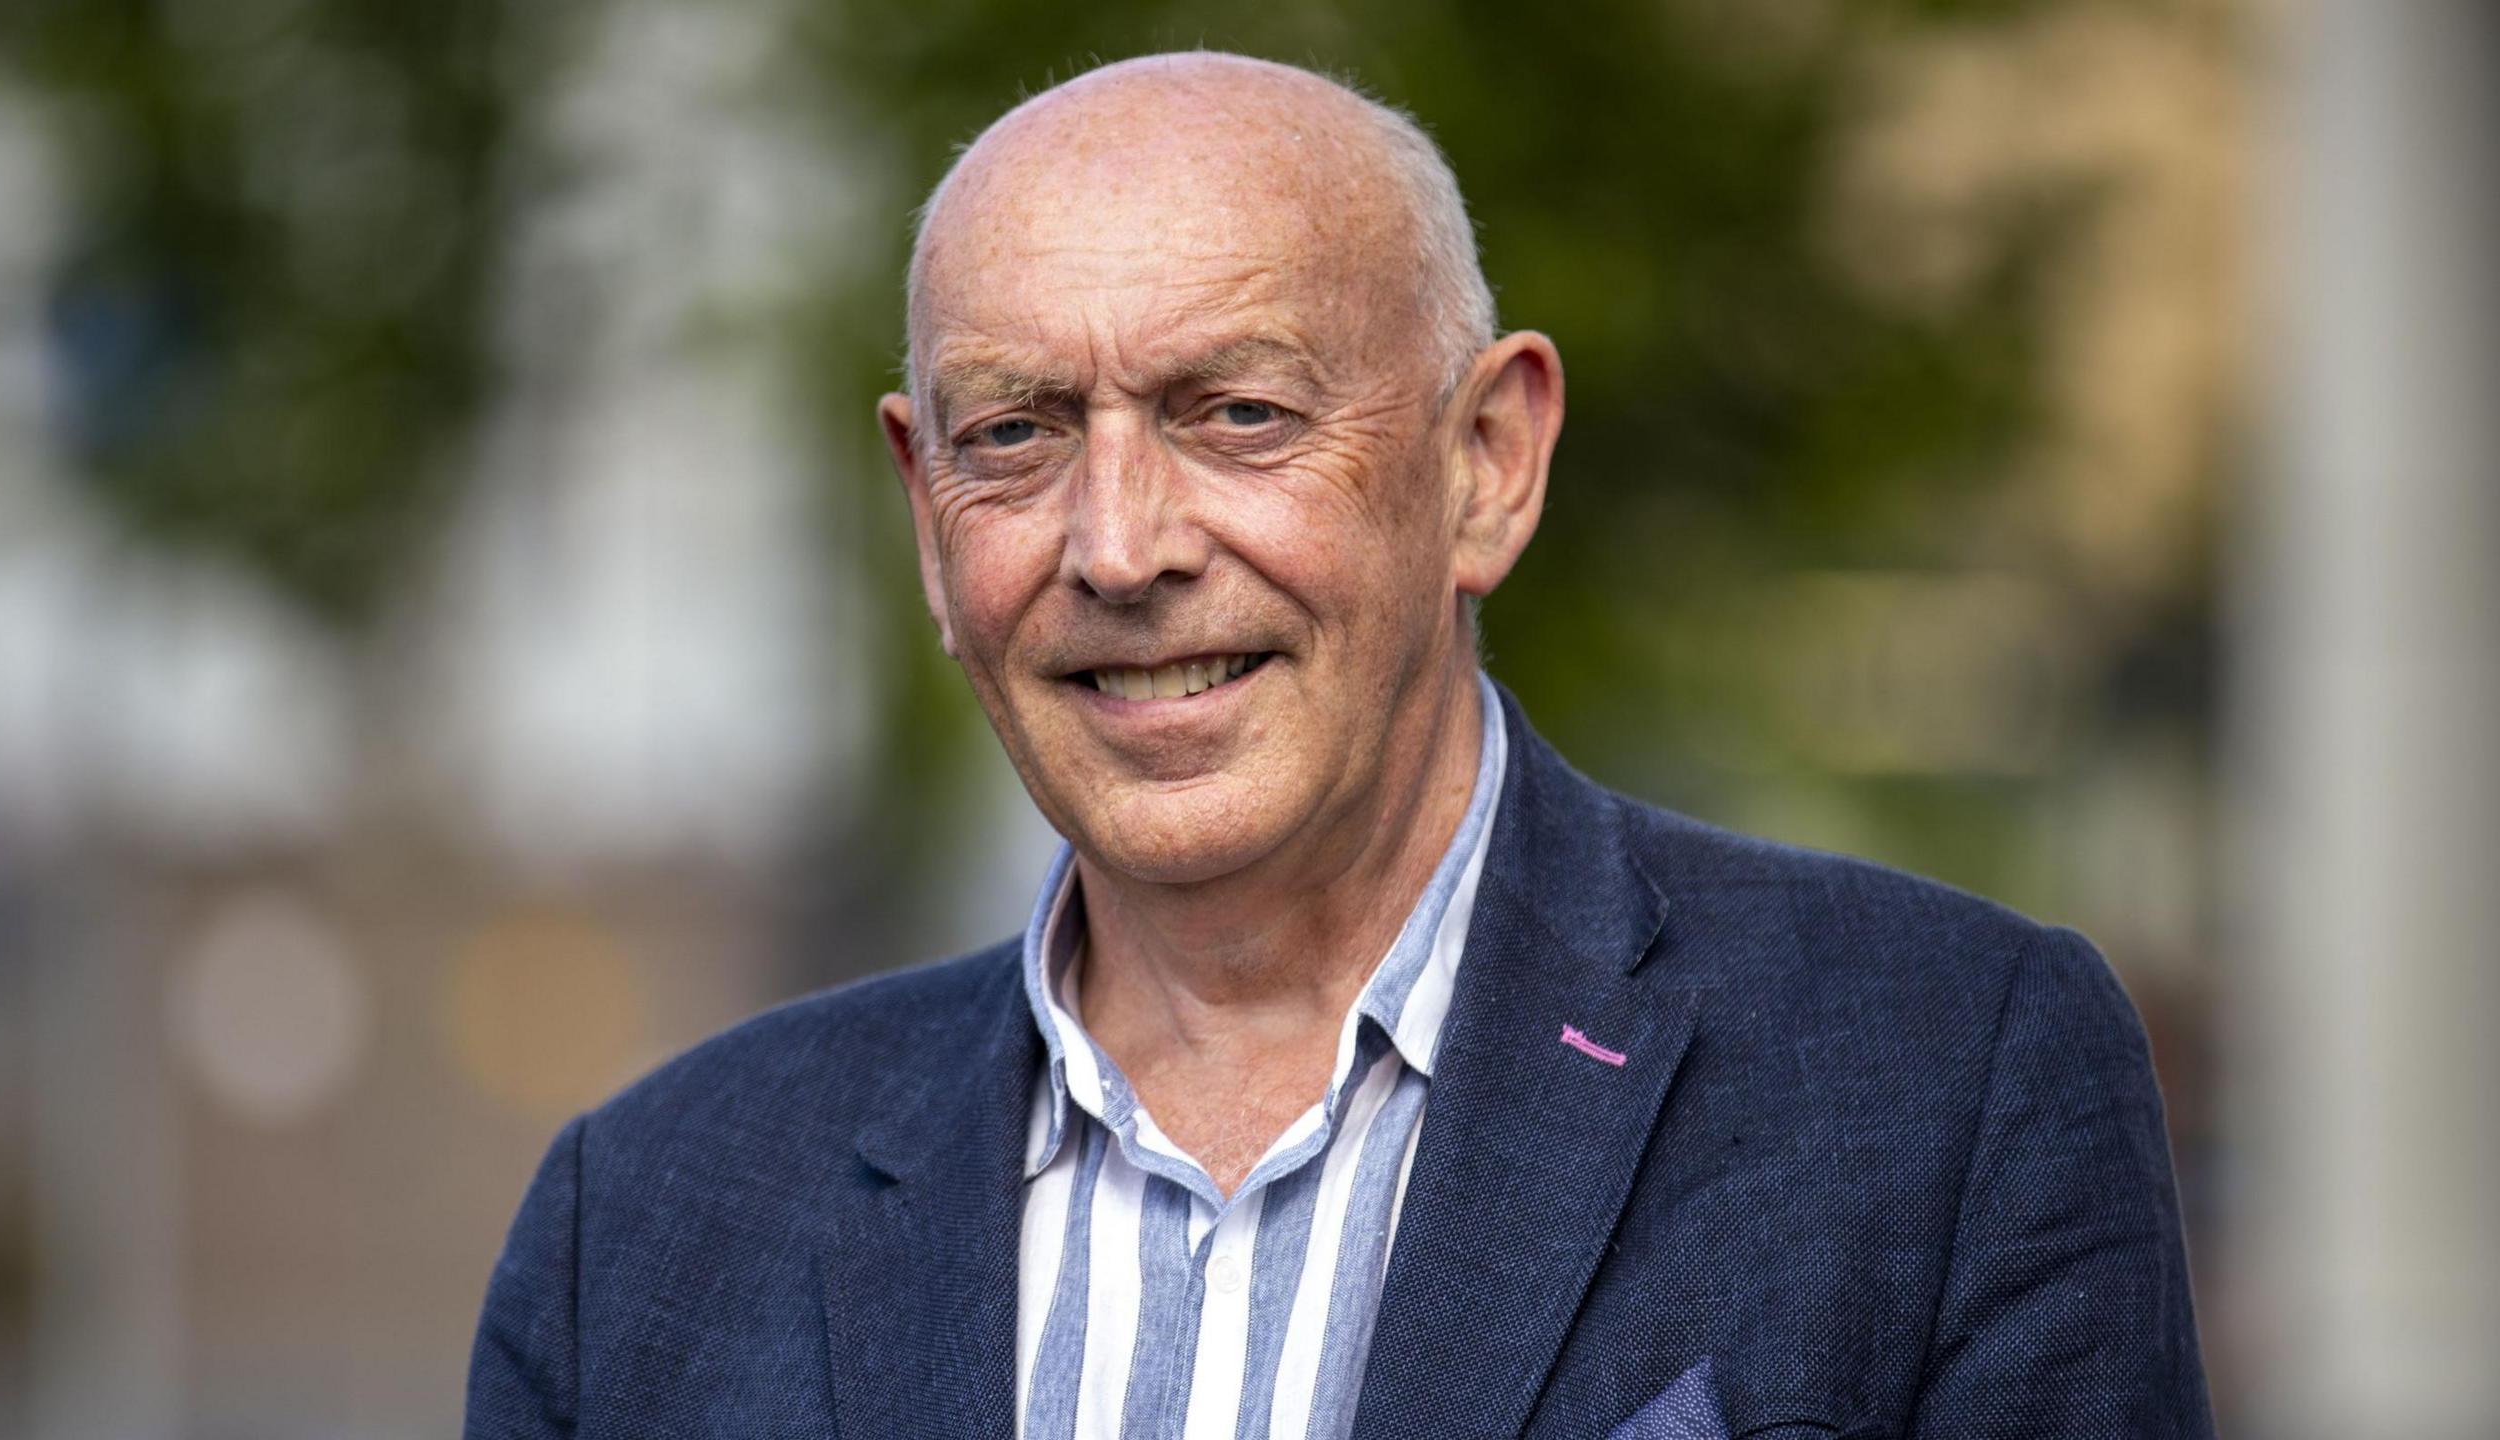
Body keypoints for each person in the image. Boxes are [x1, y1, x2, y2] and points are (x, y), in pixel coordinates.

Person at [465, 52, 2214, 1439]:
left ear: (1487, 464)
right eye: (1018, 433)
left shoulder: (1939, 1085)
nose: (1122, 544)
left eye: (1239, 412)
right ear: (927, 517)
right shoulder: (650, 1226)